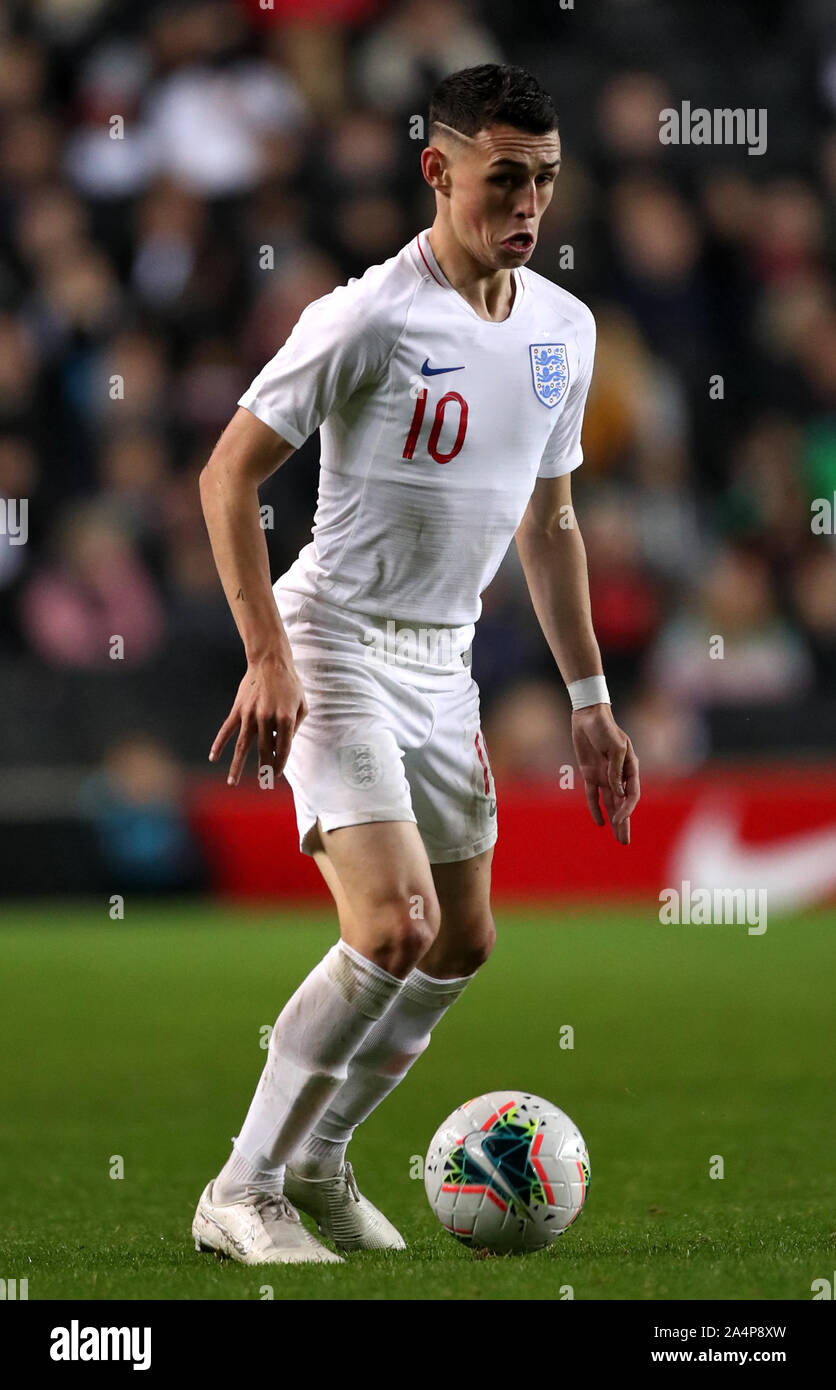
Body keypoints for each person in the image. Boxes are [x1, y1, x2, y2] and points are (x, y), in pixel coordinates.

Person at [193, 63, 640, 1265]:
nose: (528, 205)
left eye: (544, 180)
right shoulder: (366, 317)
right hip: (332, 638)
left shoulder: (562, 328)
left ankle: (324, 1160)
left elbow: (547, 523)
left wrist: (591, 701)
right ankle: (243, 1190)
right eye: (504, 178)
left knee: (460, 941)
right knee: (393, 924)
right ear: (436, 171)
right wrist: (266, 652)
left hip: (443, 660)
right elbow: (226, 475)